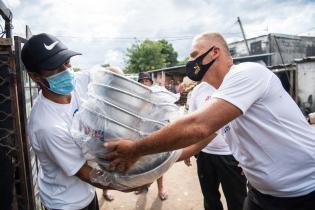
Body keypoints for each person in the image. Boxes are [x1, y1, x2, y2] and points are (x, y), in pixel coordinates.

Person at [104, 32, 315, 210]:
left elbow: (197, 127)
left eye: (195, 56)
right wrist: (148, 166)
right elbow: (196, 143)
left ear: (215, 52)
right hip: (262, 193)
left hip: (303, 192)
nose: (191, 63)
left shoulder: (247, 73)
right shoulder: (219, 98)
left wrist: (136, 149)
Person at [21, 33, 144, 210]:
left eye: (67, 62)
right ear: (35, 76)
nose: (66, 71)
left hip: (87, 192)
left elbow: (112, 71)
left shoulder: (79, 82)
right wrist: (126, 185)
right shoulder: (46, 126)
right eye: (55, 68)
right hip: (66, 202)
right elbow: (85, 173)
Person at [184, 81, 247, 210]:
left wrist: (248, 158)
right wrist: (188, 149)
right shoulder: (198, 90)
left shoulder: (235, 83)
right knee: (209, 198)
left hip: (231, 155)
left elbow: (249, 124)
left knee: (237, 200)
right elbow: (191, 122)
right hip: (204, 154)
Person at [135, 72, 168, 201]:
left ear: (151, 82)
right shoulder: (134, 99)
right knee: (142, 164)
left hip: (156, 134)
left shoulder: (157, 97)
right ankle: (144, 186)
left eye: (146, 81)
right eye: (141, 81)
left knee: (159, 163)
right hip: (139, 135)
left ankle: (161, 189)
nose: (144, 83)